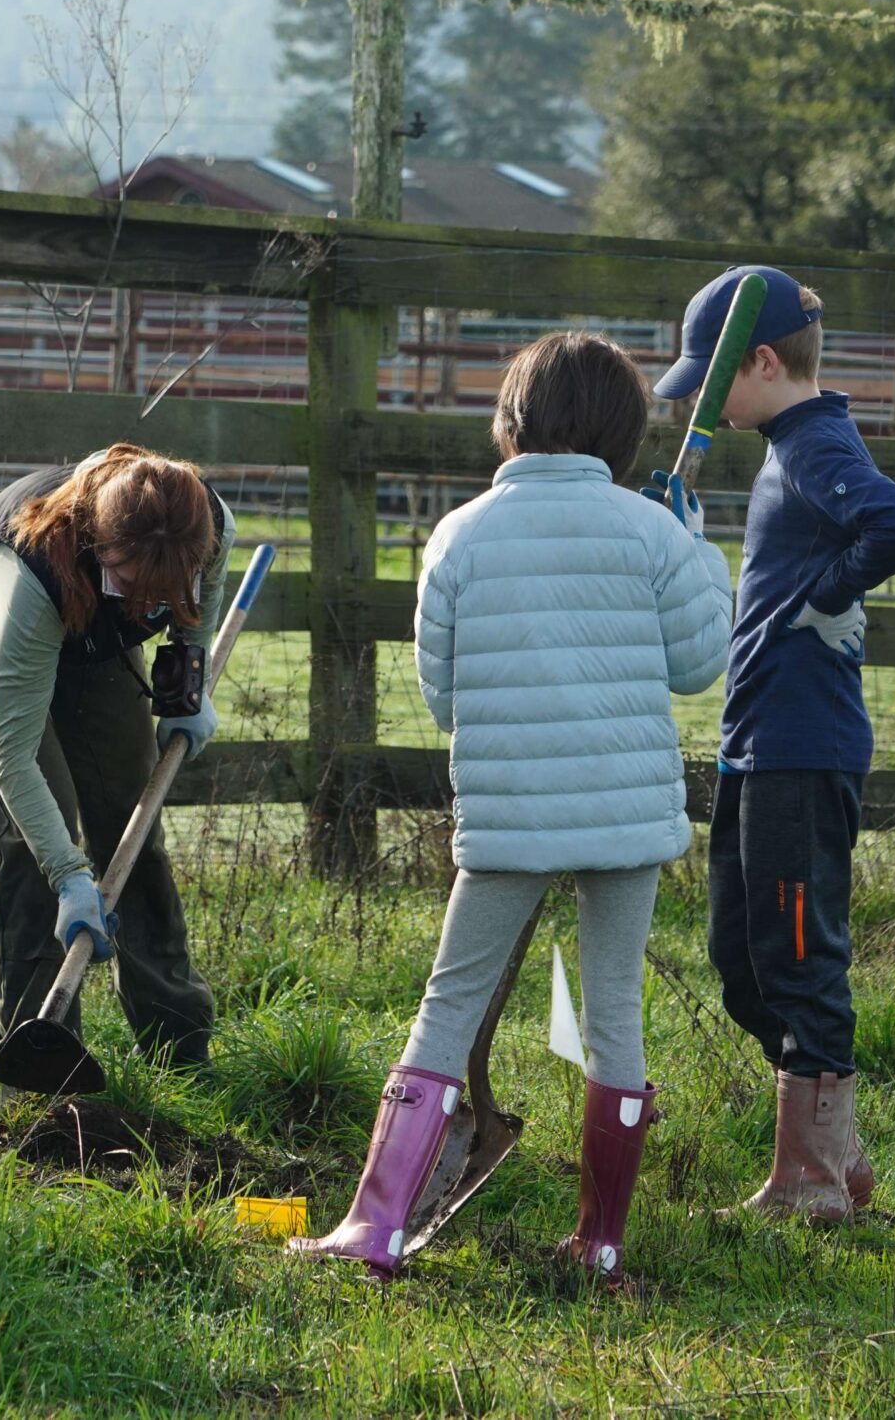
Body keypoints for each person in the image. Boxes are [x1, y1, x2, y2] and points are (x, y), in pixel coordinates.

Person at [289, 332, 732, 1281]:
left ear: (510, 419)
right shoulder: (652, 531)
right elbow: (700, 664)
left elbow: (442, 697)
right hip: (623, 812)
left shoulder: (459, 533)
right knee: (614, 1013)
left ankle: (375, 1226)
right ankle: (600, 1243)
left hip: (509, 813)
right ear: (622, 432)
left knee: (449, 1003)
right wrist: (696, 545)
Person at [652, 265, 895, 1224]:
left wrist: (830, 596)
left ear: (763, 361)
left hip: (803, 747)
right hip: (757, 741)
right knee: (744, 959)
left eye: (711, 381)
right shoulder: (787, 445)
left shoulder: (815, 440)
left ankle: (809, 1182)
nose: (699, 403)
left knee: (800, 955)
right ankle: (836, 1155)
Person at [0, 446, 236, 1070]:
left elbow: (204, 598)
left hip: (92, 630)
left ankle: (179, 1048)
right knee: (38, 836)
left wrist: (183, 691)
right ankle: (41, 1059)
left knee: (132, 821)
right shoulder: (36, 564)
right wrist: (68, 875)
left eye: (164, 593)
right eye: (132, 586)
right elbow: (13, 753)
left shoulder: (205, 522)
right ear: (100, 546)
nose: (147, 605)